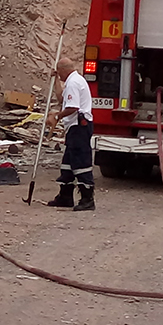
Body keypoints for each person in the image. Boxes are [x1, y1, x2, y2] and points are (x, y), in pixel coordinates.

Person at [46, 58, 95, 211]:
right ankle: (65, 196)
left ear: (64, 69)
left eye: (59, 72)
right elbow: (62, 99)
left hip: (79, 127)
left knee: (80, 162)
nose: (58, 74)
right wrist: (55, 82)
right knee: (67, 162)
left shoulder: (74, 83)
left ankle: (87, 199)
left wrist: (57, 116)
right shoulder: (73, 81)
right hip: (73, 128)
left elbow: (72, 107)